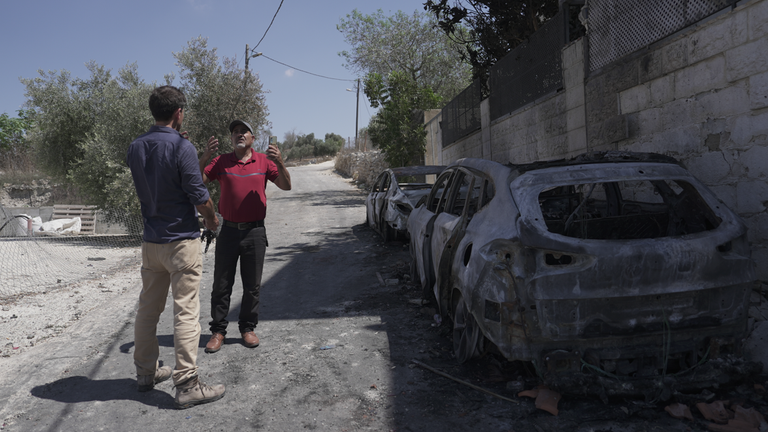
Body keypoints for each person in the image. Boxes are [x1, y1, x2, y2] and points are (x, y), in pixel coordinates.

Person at [126, 85, 226, 409]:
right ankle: (187, 384)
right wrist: (212, 220)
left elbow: (163, 179)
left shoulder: (136, 147)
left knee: (147, 309)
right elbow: (199, 195)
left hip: (150, 242)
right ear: (179, 113)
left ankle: (145, 373)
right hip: (181, 242)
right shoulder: (182, 146)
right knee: (186, 311)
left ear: (153, 111)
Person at [199, 119, 291, 353]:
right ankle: (218, 331)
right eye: (235, 132)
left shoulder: (263, 161)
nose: (239, 135)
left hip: (255, 232)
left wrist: (279, 161)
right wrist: (205, 157)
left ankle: (247, 328)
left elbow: (286, 185)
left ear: (252, 138)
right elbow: (198, 182)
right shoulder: (221, 161)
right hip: (228, 231)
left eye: (244, 132)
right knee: (221, 284)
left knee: (252, 286)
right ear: (231, 139)